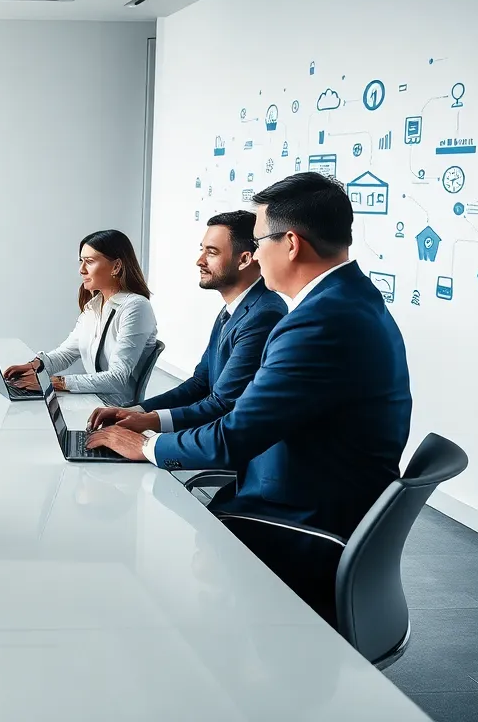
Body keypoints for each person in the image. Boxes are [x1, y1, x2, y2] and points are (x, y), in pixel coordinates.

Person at [88, 173, 412, 623]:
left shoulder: (319, 322)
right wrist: (146, 424)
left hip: (304, 518)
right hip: (310, 492)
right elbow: (229, 404)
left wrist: (144, 446)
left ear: (292, 244)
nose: (255, 254)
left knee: (151, 572)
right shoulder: (346, 300)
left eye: (259, 241)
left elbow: (234, 433)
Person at [87, 211, 286, 435]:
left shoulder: (263, 315)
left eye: (211, 252)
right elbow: (200, 384)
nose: (199, 261)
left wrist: (149, 422)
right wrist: (135, 410)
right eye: (202, 250)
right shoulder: (233, 308)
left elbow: (223, 405)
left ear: (245, 260)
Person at [2, 230, 158, 405]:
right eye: (81, 261)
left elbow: (117, 378)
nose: (81, 270)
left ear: (116, 266)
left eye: (89, 262)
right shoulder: (94, 305)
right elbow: (66, 354)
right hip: (89, 399)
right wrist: (35, 366)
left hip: (112, 408)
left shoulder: (135, 307)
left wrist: (54, 382)